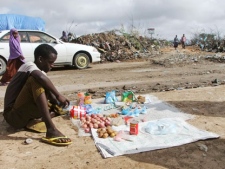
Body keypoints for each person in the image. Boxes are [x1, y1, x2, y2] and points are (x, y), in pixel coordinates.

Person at [3, 44, 72, 145]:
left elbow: (47, 89)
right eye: (50, 62)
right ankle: (51, 129)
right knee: (35, 80)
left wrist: (57, 103)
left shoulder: (40, 72)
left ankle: (40, 118)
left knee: (52, 101)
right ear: (40, 59)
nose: (52, 65)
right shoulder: (28, 66)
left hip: (24, 116)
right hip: (12, 116)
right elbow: (40, 77)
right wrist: (58, 95)